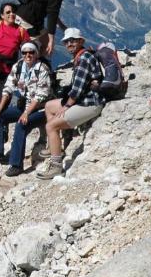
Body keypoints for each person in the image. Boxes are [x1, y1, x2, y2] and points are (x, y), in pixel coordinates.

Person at [38, 28, 105, 180]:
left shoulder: (83, 59)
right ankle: (55, 146)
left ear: (81, 41)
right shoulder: (81, 56)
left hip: (90, 104)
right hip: (84, 100)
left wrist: (66, 106)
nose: (69, 44)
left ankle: (56, 166)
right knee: (49, 106)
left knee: (51, 126)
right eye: (67, 41)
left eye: (73, 40)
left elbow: (77, 89)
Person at [0, 41, 53, 177]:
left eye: (31, 52)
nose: (27, 55)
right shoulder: (18, 66)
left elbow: (41, 96)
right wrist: (0, 108)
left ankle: (16, 165)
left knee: (21, 124)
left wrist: (26, 113)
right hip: (23, 105)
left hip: (41, 109)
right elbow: (8, 88)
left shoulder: (42, 69)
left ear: (36, 54)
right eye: (25, 52)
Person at [14, 0, 87, 58]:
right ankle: (31, 68)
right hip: (27, 20)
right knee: (35, 50)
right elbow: (52, 12)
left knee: (44, 47)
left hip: (31, 19)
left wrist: (61, 26)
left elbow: (51, 9)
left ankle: (39, 67)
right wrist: (51, 40)